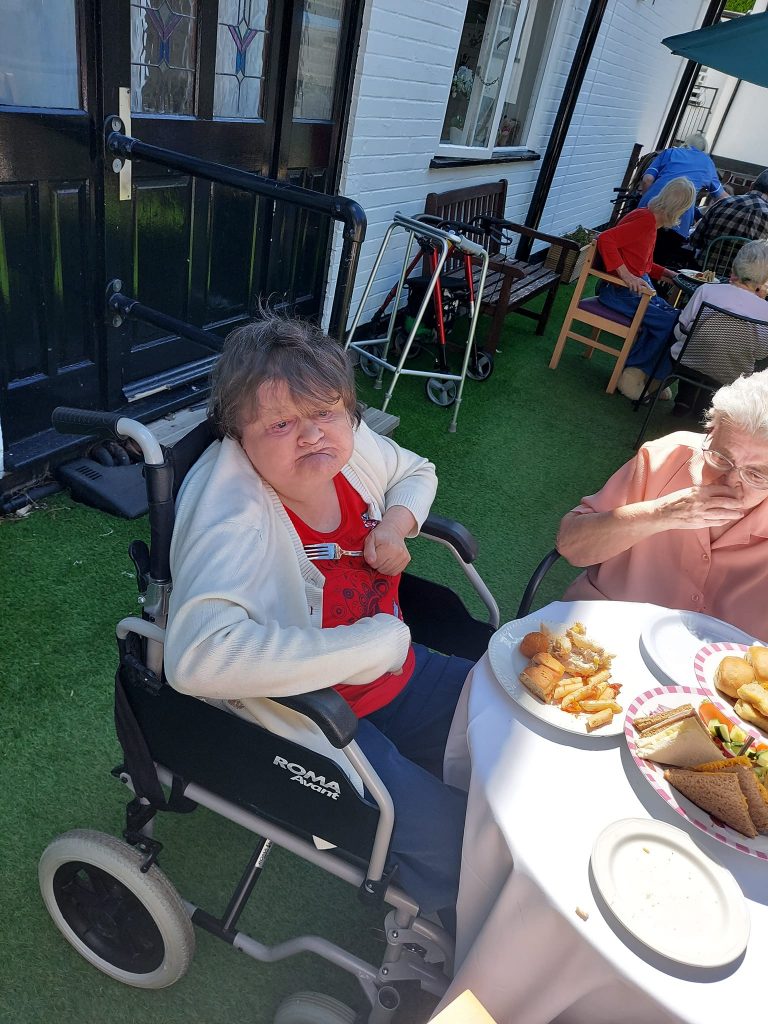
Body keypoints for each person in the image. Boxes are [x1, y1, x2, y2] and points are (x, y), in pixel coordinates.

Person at [164, 314, 472, 923]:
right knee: (462, 840)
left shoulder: (347, 449)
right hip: (313, 714)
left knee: (516, 720)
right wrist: (373, 645)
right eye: (280, 424)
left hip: (397, 671)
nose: (312, 436)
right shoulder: (232, 507)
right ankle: (452, 929)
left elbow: (416, 471)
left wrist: (395, 524)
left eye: (327, 412)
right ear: (239, 435)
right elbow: (197, 658)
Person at [556, 369, 768, 638]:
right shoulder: (665, 457)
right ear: (710, 432)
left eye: (756, 475)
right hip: (602, 632)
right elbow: (571, 546)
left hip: (723, 660)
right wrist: (660, 514)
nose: (730, 481)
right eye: (720, 458)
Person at [595, 176, 697, 400]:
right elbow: (605, 239)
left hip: (630, 291)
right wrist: (626, 275)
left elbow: (642, 264)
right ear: (680, 209)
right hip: (619, 292)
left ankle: (648, 376)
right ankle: (632, 375)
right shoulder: (645, 222)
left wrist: (669, 274)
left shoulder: (648, 220)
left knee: (676, 319)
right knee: (674, 323)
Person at [670, 239, 768, 417]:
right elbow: (761, 353)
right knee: (725, 355)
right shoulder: (765, 312)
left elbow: (681, 328)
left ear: (735, 266)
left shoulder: (707, 291)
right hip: (734, 375)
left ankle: (684, 399)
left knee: (692, 341)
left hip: (688, 361)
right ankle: (706, 405)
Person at [637, 133, 726, 267]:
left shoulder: (670, 152)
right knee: (656, 263)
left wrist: (645, 199)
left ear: (686, 143)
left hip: (649, 209)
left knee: (634, 253)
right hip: (679, 220)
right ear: (704, 150)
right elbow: (722, 197)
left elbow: (647, 179)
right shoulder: (708, 163)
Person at [689, 167, 768, 260]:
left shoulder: (723, 202)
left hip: (703, 267)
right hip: (741, 269)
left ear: (751, 186)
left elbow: (695, 241)